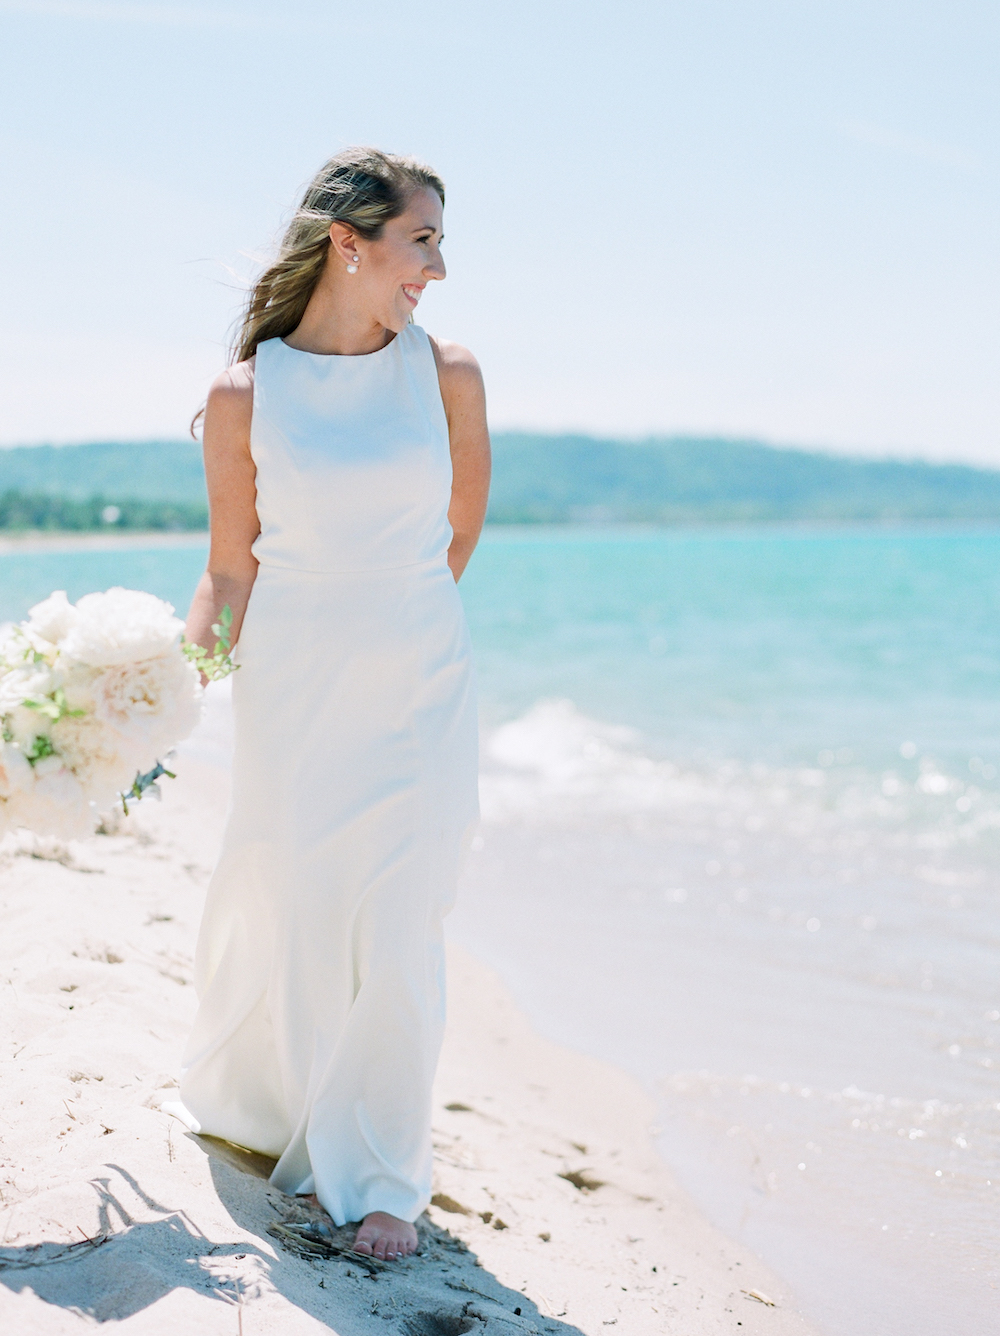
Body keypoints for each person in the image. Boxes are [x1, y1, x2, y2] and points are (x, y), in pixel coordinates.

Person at [172, 148, 489, 1263]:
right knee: (302, 901)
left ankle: (382, 1175)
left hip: (416, 670)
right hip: (295, 679)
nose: (437, 269)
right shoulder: (244, 394)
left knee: (402, 917)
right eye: (422, 241)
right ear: (348, 244)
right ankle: (280, 1109)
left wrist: (390, 623)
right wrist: (169, 677)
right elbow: (232, 565)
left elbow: (455, 533)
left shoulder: (446, 374)